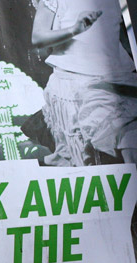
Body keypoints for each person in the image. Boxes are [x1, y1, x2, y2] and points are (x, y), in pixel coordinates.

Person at [32, 0, 137, 165]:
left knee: (127, 145)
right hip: (75, 82)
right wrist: (74, 29)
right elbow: (38, 37)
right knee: (86, 159)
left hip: (117, 80)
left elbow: (121, 35)